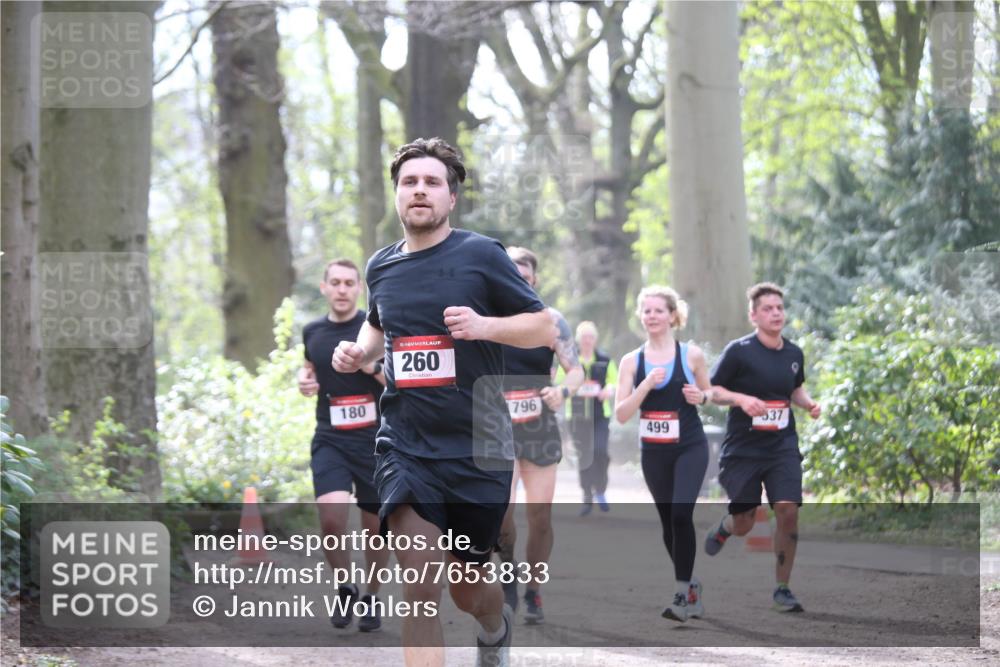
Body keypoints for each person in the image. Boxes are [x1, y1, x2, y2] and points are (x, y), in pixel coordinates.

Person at [332, 137, 554, 667]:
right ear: (397, 194)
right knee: (420, 584)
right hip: (406, 445)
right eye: (410, 182)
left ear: (451, 198)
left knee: (468, 593)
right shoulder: (381, 266)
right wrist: (358, 350)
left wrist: (484, 326)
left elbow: (543, 326)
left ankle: (494, 628)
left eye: (432, 183)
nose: (420, 191)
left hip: (478, 447)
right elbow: (378, 325)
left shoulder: (480, 255)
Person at [703, 282, 822, 613]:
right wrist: (742, 399)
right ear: (753, 315)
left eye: (779, 308)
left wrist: (808, 403)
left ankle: (782, 588)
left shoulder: (794, 354)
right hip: (743, 449)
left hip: (781, 445)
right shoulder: (739, 351)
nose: (775, 314)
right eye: (767, 309)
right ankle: (726, 527)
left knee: (788, 510)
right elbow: (712, 390)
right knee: (744, 522)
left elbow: (795, 390)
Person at [298, 258, 389, 631]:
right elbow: (310, 368)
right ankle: (344, 585)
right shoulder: (312, 331)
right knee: (332, 520)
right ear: (324, 288)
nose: (341, 289)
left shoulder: (375, 329)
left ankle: (371, 595)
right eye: (334, 282)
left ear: (358, 289)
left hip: (373, 440)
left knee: (374, 527)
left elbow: (396, 381)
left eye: (349, 283)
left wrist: (370, 366)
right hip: (330, 437)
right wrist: (305, 381)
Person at [497, 246, 584, 625]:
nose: (518, 280)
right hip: (495, 425)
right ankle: (507, 570)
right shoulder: (485, 318)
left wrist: (562, 391)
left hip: (538, 425)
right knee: (501, 519)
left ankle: (534, 590)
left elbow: (576, 371)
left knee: (541, 516)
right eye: (511, 273)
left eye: (525, 275)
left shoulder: (552, 321)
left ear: (534, 279)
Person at [613, 286, 711, 622]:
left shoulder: (691, 355)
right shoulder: (632, 361)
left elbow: (708, 391)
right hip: (654, 453)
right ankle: (692, 584)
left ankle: (681, 596)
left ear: (672, 315)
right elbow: (622, 414)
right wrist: (645, 385)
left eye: (658, 310)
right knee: (669, 524)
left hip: (690, 447)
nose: (652, 316)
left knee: (682, 514)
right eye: (647, 311)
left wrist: (702, 396)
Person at [562, 321, 617, 515]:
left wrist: (608, 391)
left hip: (600, 415)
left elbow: (613, 381)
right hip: (577, 415)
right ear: (579, 339)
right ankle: (587, 496)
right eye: (584, 337)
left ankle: (600, 490)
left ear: (595, 339)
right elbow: (560, 380)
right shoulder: (570, 359)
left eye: (591, 337)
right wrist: (570, 387)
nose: (587, 341)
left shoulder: (604, 359)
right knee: (584, 456)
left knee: (600, 451)